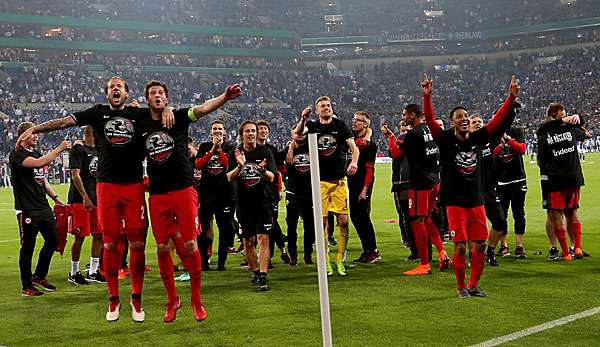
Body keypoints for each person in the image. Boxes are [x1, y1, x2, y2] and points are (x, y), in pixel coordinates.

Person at [16, 76, 174, 322]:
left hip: (133, 187)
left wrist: (167, 107)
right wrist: (35, 128)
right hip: (106, 188)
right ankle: (113, 301)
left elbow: (160, 106)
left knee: (137, 245)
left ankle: (136, 300)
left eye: (119, 86)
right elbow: (64, 122)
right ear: (107, 93)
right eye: (111, 87)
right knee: (109, 244)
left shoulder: (137, 114)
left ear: (126, 92)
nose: (115, 89)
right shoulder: (97, 113)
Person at [140, 80, 241, 322]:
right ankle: (172, 300)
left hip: (183, 190)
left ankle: (196, 299)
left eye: (161, 93)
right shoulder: (140, 121)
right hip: (157, 194)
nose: (157, 95)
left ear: (167, 98)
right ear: (147, 99)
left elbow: (204, 108)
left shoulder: (179, 116)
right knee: (163, 247)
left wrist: (224, 98)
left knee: (190, 245)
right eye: (152, 93)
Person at [423, 74, 519, 298]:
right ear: (452, 122)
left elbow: (496, 122)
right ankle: (460, 286)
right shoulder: (445, 139)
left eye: (466, 116)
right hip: (455, 203)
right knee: (460, 247)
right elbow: (429, 120)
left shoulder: (477, 138)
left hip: (476, 201)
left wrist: (511, 97)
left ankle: (473, 285)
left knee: (480, 246)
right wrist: (427, 97)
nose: (464, 119)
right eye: (459, 117)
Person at [381, 104, 450, 276]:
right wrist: (393, 136)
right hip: (435, 181)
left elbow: (397, 154)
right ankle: (442, 252)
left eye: (405, 115)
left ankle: (424, 264)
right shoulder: (428, 129)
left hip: (420, 184)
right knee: (426, 218)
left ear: (412, 115)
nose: (403, 117)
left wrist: (390, 139)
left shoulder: (413, 134)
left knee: (416, 221)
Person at [295, 96, 359, 276]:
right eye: (323, 106)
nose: (326, 108)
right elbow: (298, 134)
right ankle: (326, 259)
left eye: (328, 105)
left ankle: (340, 258)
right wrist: (303, 119)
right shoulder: (313, 126)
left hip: (339, 181)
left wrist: (354, 162)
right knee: (322, 223)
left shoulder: (340, 126)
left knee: (344, 221)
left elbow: (354, 148)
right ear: (317, 110)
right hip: (320, 182)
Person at [10, 122, 70, 296]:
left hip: (43, 206)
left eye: (37, 133)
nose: (36, 136)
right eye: (33, 133)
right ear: (23, 136)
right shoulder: (16, 155)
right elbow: (39, 163)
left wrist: (57, 199)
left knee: (53, 241)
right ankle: (26, 286)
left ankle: (39, 276)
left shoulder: (35, 153)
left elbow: (42, 181)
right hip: (27, 209)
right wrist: (60, 148)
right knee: (28, 247)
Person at [227, 121, 277, 291]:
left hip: (263, 202)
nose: (251, 134)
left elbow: (272, 177)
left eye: (253, 131)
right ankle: (255, 272)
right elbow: (229, 177)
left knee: (264, 239)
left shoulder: (265, 152)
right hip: (244, 204)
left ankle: (263, 276)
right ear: (242, 134)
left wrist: (262, 170)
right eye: (247, 131)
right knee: (248, 241)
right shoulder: (235, 153)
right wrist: (240, 165)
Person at [537, 103, 586, 261]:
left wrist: (576, 118)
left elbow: (540, 159)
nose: (566, 116)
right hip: (574, 177)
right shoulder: (570, 129)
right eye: (563, 114)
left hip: (556, 180)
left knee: (555, 215)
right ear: (554, 114)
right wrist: (577, 119)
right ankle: (577, 247)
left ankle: (566, 252)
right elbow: (585, 134)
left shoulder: (545, 134)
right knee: (572, 212)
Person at [468, 113, 512, 267]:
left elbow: (502, 127)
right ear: (469, 125)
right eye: (474, 122)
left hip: (489, 189)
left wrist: (511, 112)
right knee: (471, 225)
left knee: (500, 221)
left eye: (480, 121)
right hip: (472, 190)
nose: (478, 123)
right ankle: (471, 255)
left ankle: (490, 252)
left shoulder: (488, 140)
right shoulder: (465, 142)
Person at [195, 120, 237, 271]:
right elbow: (198, 164)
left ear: (224, 132)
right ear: (210, 132)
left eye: (220, 129)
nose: (217, 131)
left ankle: (221, 263)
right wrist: (212, 151)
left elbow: (230, 167)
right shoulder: (204, 147)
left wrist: (219, 151)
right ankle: (204, 262)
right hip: (206, 194)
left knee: (225, 229)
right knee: (203, 229)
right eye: (215, 129)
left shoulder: (231, 148)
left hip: (225, 195)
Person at [67, 125, 105, 285]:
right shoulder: (78, 148)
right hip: (80, 200)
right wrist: (85, 196)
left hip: (97, 199)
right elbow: (75, 175)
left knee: (99, 235)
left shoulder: (100, 150)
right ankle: (74, 272)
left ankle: (93, 271)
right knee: (80, 236)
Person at [256, 120, 291, 266]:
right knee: (262, 225)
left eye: (265, 129)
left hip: (270, 194)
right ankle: (280, 250)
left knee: (270, 224)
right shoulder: (250, 149)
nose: (263, 131)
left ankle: (267, 259)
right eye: (260, 129)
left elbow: (277, 171)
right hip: (253, 193)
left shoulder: (272, 150)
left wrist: (291, 146)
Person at [348, 111, 380, 263]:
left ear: (365, 124)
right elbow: (358, 145)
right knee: (356, 217)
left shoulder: (371, 146)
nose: (354, 122)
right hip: (352, 184)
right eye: (353, 120)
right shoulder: (353, 141)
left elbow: (370, 169)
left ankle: (372, 250)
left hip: (362, 184)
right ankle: (367, 250)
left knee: (363, 217)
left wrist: (365, 190)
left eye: (358, 120)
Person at [384, 122, 418, 261]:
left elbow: (395, 153)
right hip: (407, 184)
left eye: (408, 129)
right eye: (403, 129)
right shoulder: (411, 139)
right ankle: (415, 246)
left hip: (405, 185)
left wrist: (391, 138)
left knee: (410, 219)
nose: (405, 132)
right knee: (411, 218)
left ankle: (416, 250)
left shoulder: (407, 140)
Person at [493, 123, 528, 259]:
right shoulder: (492, 135)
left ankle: (519, 246)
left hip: (518, 180)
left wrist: (507, 139)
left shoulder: (516, 131)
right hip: (501, 182)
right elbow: (490, 156)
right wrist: (501, 146)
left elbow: (522, 149)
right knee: (502, 215)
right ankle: (504, 246)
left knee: (519, 213)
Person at [284, 127, 316, 265]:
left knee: (310, 227)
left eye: (303, 133)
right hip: (293, 194)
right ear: (293, 134)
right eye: (297, 133)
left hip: (310, 194)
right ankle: (293, 254)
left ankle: (308, 255)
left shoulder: (312, 148)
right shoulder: (288, 150)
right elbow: (287, 162)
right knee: (291, 227)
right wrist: (291, 147)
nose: (301, 136)